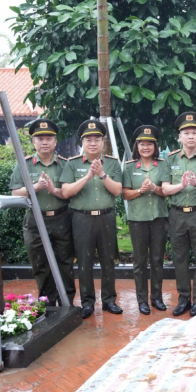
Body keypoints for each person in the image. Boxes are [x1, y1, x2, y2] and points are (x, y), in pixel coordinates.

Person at [60, 119, 123, 319]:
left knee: (108, 261)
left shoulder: (112, 163)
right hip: (82, 219)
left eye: (97, 139)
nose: (93, 143)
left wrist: (102, 175)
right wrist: (87, 176)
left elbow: (118, 191)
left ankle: (109, 300)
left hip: (106, 217)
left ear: (103, 142)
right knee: (84, 262)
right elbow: (66, 192)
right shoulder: (72, 164)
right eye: (89, 139)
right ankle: (87, 302)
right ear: (82, 142)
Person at [9, 118, 76, 306]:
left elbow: (70, 193)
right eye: (40, 138)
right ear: (33, 142)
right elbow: (16, 192)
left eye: (49, 138)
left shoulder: (65, 164)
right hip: (35, 221)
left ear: (55, 142)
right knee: (40, 264)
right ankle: (47, 301)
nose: (44, 142)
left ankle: (67, 302)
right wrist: (36, 187)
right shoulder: (25, 164)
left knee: (65, 261)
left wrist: (54, 189)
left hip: (61, 218)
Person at [160, 111, 196, 317]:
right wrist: (182, 185)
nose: (191, 136)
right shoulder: (170, 159)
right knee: (179, 258)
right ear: (180, 137)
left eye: (194, 132)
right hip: (177, 215)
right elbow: (165, 189)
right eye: (186, 133)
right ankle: (183, 299)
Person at [122, 126, 168, 315]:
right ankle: (142, 300)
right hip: (138, 220)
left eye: (149, 143)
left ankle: (156, 297)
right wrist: (141, 190)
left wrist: (153, 188)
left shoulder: (162, 165)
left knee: (157, 259)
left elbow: (165, 191)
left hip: (158, 218)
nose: (146, 147)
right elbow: (125, 194)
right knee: (140, 261)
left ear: (155, 146)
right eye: (142, 144)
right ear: (137, 146)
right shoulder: (130, 166)